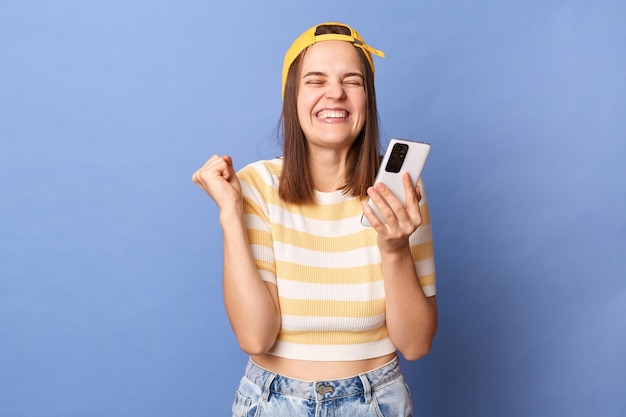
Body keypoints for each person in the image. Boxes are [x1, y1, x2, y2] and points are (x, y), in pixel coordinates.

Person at [192, 21, 437, 417]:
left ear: (367, 99)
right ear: (293, 97)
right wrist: (230, 213)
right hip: (272, 402)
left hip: (375, 402)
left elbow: (416, 344)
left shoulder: (401, 191)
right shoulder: (256, 185)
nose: (335, 93)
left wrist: (394, 249)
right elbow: (256, 336)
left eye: (352, 81)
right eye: (316, 80)